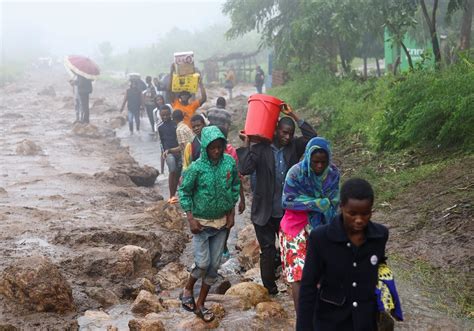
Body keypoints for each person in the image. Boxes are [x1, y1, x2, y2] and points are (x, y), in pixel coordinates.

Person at [239, 105, 317, 295]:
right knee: (267, 250)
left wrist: (293, 115)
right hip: (264, 210)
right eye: (284, 133)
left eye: (290, 134)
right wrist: (247, 144)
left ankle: (289, 281)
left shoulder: (294, 147)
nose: (287, 137)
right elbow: (245, 168)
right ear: (275, 130)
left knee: (287, 249)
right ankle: (270, 290)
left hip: (287, 212)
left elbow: (313, 139)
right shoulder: (260, 149)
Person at [297, 178, 389, 331]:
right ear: (341, 207)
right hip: (330, 322)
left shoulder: (379, 236)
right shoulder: (321, 238)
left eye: (365, 214)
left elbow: (378, 271)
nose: (359, 220)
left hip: (365, 322)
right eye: (352, 213)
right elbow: (308, 286)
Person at [178, 125, 240, 323]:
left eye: (219, 147)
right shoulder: (196, 168)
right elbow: (185, 192)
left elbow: (234, 187)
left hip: (221, 224)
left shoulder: (229, 163)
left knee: (214, 266)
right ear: (205, 148)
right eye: (212, 148)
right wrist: (190, 218)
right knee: (202, 263)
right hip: (201, 225)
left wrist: (231, 215)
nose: (216, 151)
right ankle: (188, 287)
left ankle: (200, 304)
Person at [279, 137, 340, 313]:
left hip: (322, 227)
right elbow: (287, 200)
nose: (319, 166)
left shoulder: (333, 174)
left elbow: (334, 201)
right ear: (307, 158)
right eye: (315, 162)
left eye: (323, 162)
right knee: (299, 276)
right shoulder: (296, 173)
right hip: (295, 229)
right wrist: (316, 204)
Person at [158, 105, 181, 200]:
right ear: (160, 115)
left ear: (170, 114)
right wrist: (163, 155)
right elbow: (162, 142)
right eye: (163, 115)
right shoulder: (160, 127)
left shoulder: (176, 125)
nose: (165, 117)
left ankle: (176, 194)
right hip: (169, 153)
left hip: (178, 151)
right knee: (172, 170)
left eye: (167, 115)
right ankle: (171, 195)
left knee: (178, 173)